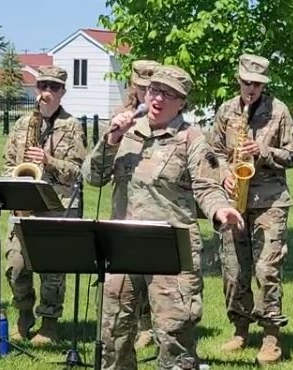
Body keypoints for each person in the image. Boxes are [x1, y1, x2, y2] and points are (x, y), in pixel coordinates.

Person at [83, 65, 244, 370]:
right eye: (154, 91)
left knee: (174, 336)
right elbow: (92, 177)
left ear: (182, 102)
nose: (158, 99)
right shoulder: (127, 131)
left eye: (169, 95)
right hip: (122, 246)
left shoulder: (192, 139)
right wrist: (111, 139)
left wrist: (220, 210)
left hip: (171, 248)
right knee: (113, 332)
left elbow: (207, 187)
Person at [210, 54, 293, 365]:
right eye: (246, 82)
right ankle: (239, 329)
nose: (251, 88)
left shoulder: (278, 111)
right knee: (234, 271)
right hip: (234, 199)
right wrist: (224, 173)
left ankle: (271, 336)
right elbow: (215, 151)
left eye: (257, 84)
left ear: (264, 84)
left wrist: (261, 150)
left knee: (266, 269)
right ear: (239, 80)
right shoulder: (225, 110)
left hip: (270, 201)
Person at [2, 65, 87, 345]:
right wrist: (13, 190)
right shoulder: (21, 124)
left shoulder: (73, 126)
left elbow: (78, 171)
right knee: (15, 266)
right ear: (36, 89)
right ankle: (24, 314)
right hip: (24, 203)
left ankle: (49, 323)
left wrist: (49, 161)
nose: (47, 92)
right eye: (42, 86)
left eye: (53, 87)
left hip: (58, 204)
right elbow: (8, 164)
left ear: (62, 91)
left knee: (52, 269)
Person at [113, 59, 160, 350]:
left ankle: (148, 326)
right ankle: (126, 328)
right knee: (124, 277)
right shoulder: (121, 117)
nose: (145, 94)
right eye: (140, 88)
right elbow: (96, 171)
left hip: (153, 207)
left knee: (150, 271)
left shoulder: (163, 119)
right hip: (123, 206)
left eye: (150, 88)